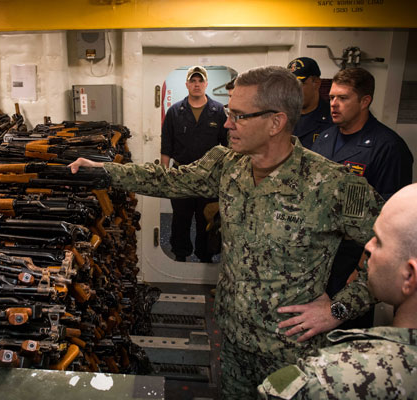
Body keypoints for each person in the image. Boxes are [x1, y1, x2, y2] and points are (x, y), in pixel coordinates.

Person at [69, 66, 384, 398]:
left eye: (239, 116)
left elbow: (403, 251)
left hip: (291, 352)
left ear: (276, 122)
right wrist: (105, 171)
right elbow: (169, 179)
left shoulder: (333, 184)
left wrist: (339, 309)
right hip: (232, 339)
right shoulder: (227, 163)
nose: (226, 123)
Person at [258, 182, 417, 399]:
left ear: (410, 276)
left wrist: (336, 310)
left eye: (380, 242)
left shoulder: (329, 380)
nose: (368, 246)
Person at [312, 67, 414, 326]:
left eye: (343, 98)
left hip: (353, 259)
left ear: (365, 101)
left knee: (345, 329)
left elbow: (391, 218)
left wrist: (362, 270)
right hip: (319, 256)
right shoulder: (324, 139)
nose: (334, 104)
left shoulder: (387, 147)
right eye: (332, 97)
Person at [160, 65, 228, 263]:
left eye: (200, 81)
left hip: (209, 177)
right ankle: (180, 254)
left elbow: (226, 146)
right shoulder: (174, 112)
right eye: (193, 81)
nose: (197, 85)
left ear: (206, 84)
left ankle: (205, 256)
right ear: (187, 84)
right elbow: (166, 147)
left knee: (206, 218)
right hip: (181, 174)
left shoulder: (218, 112)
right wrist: (164, 178)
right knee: (181, 218)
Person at [286, 57, 333, 149]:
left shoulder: (332, 118)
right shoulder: (282, 115)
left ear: (316, 83)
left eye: (298, 84)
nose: (292, 90)